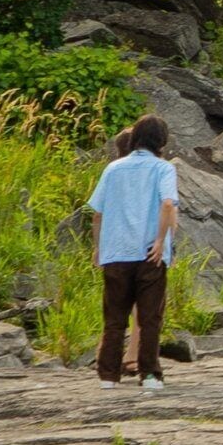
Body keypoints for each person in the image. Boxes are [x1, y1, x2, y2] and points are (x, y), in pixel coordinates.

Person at [85, 115, 182, 392]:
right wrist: (161, 240)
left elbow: (97, 212)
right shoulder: (163, 169)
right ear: (161, 141)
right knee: (150, 317)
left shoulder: (113, 169)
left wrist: (98, 248)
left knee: (114, 317)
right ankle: (149, 374)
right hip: (149, 253)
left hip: (116, 252)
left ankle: (107, 376)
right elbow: (167, 204)